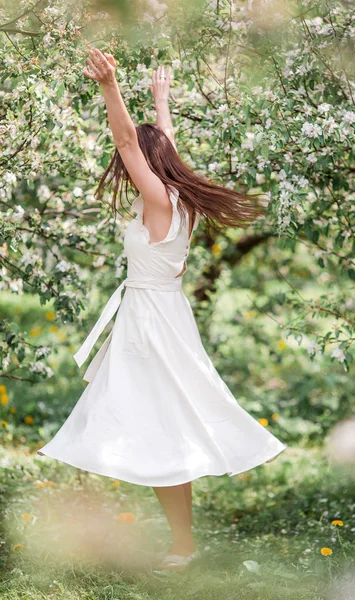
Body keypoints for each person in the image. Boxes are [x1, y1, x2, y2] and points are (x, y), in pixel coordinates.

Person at [37, 46, 287, 572]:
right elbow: (156, 145)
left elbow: (128, 141)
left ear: (149, 166)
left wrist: (110, 86)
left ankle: (171, 540)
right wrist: (162, 101)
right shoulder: (177, 197)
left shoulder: (158, 201)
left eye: (134, 163)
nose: (125, 168)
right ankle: (179, 542)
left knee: (161, 424)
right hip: (161, 317)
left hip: (151, 324)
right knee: (161, 421)